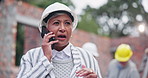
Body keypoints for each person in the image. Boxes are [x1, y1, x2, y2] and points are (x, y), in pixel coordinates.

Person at [17, 2, 102, 78]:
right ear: (45, 29)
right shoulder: (31, 57)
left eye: (67, 23)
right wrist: (46, 59)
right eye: (56, 23)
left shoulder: (87, 57)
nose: (62, 28)